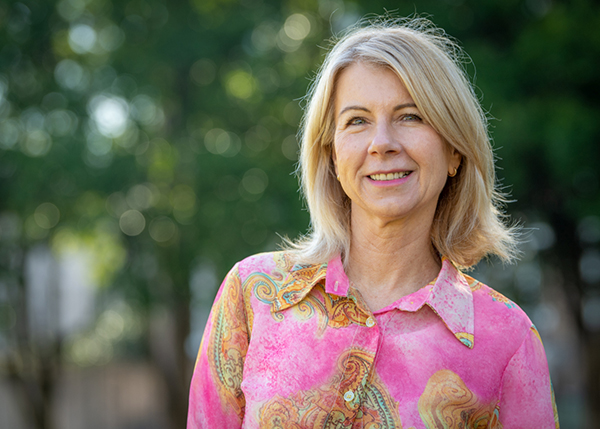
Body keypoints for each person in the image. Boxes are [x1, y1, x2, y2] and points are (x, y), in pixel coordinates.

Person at [187, 17, 559, 428]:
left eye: (411, 116)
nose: (382, 143)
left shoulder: (507, 338)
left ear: (455, 151)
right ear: (332, 155)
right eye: (357, 121)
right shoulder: (254, 295)